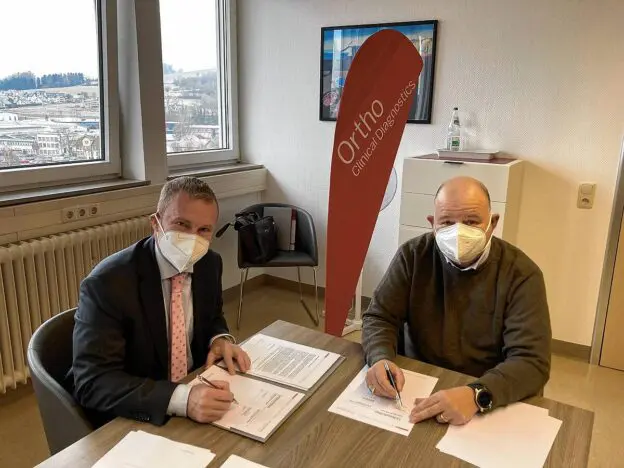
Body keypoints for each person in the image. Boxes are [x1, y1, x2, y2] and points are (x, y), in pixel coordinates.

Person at [362, 176, 551, 426]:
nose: (459, 232)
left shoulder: (522, 274)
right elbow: (380, 316)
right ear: (432, 224)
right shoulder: (413, 256)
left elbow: (531, 362)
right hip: (417, 387)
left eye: (471, 222)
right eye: (447, 222)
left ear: (492, 223)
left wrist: (476, 394)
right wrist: (380, 357)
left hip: (486, 396)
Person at [72, 176, 251, 427]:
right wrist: (182, 399)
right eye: (181, 224)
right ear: (155, 223)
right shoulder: (107, 283)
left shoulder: (210, 264)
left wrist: (219, 339)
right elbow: (93, 381)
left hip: (198, 389)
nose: (192, 239)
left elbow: (212, 317)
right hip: (138, 409)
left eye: (204, 230)